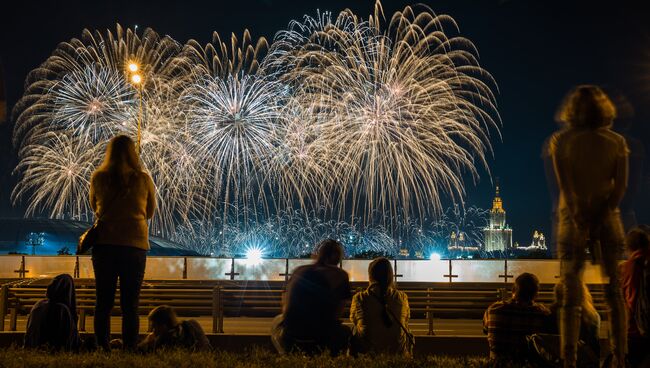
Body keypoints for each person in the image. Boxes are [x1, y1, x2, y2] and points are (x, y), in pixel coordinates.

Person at [549, 85, 628, 368]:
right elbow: (619, 188)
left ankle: (567, 356)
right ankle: (620, 356)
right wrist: (601, 217)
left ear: (572, 110)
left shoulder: (561, 141)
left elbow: (567, 190)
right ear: (603, 108)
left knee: (570, 295)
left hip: (572, 221)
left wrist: (582, 219)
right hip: (608, 219)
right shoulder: (617, 142)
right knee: (614, 293)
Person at [90, 135, 156, 350]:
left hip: (105, 245)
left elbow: (94, 207)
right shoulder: (143, 179)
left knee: (103, 301)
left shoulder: (98, 177)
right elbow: (150, 212)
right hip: (134, 246)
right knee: (131, 303)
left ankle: (103, 346)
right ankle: (130, 347)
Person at [271, 239, 352, 356]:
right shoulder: (340, 275)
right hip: (320, 335)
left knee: (277, 320)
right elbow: (337, 313)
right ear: (336, 257)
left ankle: (286, 356)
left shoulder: (299, 270)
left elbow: (285, 303)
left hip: (291, 334)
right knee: (346, 331)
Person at [349, 257, 412, 356]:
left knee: (353, 329)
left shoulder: (360, 298)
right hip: (396, 353)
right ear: (390, 275)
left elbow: (353, 319)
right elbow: (406, 319)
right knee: (406, 329)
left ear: (371, 275)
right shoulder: (402, 297)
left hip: (368, 353)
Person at [483, 272, 550, 364]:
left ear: (513, 290)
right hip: (528, 364)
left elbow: (486, 330)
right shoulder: (542, 314)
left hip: (498, 364)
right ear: (536, 294)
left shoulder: (494, 309)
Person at [540, 282, 601, 365]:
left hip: (556, 362)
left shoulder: (549, 315)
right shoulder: (592, 316)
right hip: (583, 362)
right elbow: (595, 347)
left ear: (557, 295)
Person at [24, 274, 80, 351]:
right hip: (55, 352)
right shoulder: (62, 310)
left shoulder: (39, 305)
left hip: (34, 350)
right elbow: (67, 340)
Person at [621, 227, 650, 367]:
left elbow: (631, 299)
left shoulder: (633, 264)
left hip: (637, 332)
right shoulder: (646, 261)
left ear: (629, 247)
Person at [135, 305, 211, 352]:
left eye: (154, 326)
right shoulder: (192, 324)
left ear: (163, 326)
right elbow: (206, 346)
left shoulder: (165, 341)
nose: (152, 330)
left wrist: (148, 343)